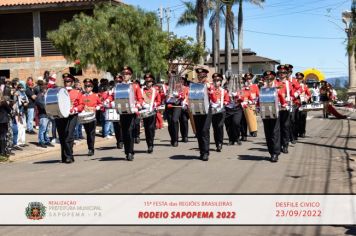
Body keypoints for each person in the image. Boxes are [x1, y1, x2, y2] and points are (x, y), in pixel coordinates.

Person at [258, 71, 287, 162]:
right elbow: (259, 99)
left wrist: (284, 104)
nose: (269, 80)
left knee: (275, 133)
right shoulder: (262, 89)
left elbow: (282, 97)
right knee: (268, 133)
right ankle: (271, 152)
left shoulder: (278, 87)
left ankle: (275, 153)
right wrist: (257, 106)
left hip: (275, 112)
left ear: (274, 78)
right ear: (264, 79)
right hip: (265, 113)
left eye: (270, 78)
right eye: (267, 78)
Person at [55, 73, 84, 163]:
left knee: (69, 135)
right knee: (62, 136)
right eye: (65, 81)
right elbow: (49, 89)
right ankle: (66, 156)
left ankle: (68, 156)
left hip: (72, 116)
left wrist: (75, 109)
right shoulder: (59, 91)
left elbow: (81, 105)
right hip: (60, 116)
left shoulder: (77, 92)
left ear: (72, 82)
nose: (66, 83)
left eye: (68, 81)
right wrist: (52, 78)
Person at [191, 66, 217, 161]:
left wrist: (210, 90)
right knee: (199, 131)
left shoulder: (210, 85)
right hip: (197, 110)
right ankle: (201, 152)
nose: (200, 77)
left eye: (202, 76)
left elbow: (214, 99)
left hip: (207, 110)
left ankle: (206, 152)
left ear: (206, 76)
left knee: (205, 131)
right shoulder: (195, 86)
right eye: (199, 76)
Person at [119, 66, 143, 161]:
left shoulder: (135, 86)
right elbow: (114, 97)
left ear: (130, 75)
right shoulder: (119, 86)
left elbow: (140, 99)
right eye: (124, 74)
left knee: (129, 132)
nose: (125, 76)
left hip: (132, 113)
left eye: (127, 74)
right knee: (124, 132)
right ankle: (127, 152)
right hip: (122, 112)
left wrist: (137, 105)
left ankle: (130, 152)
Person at [81, 79, 102, 156]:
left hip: (92, 117)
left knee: (91, 133)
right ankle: (89, 147)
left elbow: (100, 104)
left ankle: (91, 149)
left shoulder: (95, 96)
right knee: (87, 133)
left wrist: (96, 108)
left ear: (92, 87)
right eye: (86, 86)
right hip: (84, 117)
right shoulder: (82, 96)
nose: (87, 88)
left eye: (89, 86)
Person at [165, 70, 186, 147]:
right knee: (170, 123)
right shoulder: (165, 86)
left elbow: (183, 96)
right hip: (168, 105)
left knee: (174, 120)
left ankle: (176, 140)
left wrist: (177, 95)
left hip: (177, 105)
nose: (171, 77)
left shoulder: (179, 85)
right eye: (169, 75)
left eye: (173, 75)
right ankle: (172, 138)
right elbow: (160, 96)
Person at [141, 73, 161, 153]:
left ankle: (151, 144)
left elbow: (159, 101)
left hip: (152, 111)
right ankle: (148, 145)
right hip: (145, 111)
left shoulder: (155, 91)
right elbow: (139, 98)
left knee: (151, 128)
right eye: (147, 81)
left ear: (152, 82)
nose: (148, 83)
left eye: (150, 81)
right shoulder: (142, 90)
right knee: (146, 128)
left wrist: (155, 104)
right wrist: (143, 104)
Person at [211, 73, 229, 152]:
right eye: (214, 80)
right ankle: (217, 143)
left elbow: (227, 100)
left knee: (220, 126)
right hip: (213, 111)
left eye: (218, 80)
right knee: (215, 128)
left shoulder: (224, 91)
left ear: (221, 82)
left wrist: (223, 103)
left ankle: (220, 143)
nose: (216, 82)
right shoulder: (210, 91)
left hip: (221, 111)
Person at [35, 81, 54, 148]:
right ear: (43, 89)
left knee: (47, 129)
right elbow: (43, 106)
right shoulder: (39, 96)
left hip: (47, 115)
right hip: (43, 115)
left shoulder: (45, 96)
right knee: (42, 129)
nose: (47, 91)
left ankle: (47, 140)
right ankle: (41, 141)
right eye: (46, 89)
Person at [294, 72, 311, 138]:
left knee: (303, 118)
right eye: (297, 78)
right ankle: (296, 132)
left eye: (300, 78)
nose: (299, 79)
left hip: (303, 104)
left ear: (302, 79)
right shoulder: (294, 86)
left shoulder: (304, 86)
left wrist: (306, 98)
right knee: (296, 119)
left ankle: (302, 132)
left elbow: (309, 94)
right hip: (296, 103)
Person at [0, 77, 12, 158]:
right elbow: (9, 110)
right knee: (3, 136)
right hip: (3, 120)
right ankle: (3, 152)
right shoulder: (3, 102)